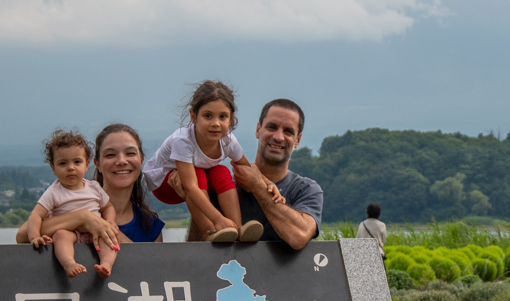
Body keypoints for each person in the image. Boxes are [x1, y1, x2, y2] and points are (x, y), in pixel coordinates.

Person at [171, 99, 323, 249]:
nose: (278, 137)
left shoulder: (306, 190)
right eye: (272, 127)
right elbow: (198, 248)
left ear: (298, 140)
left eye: (288, 131)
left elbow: (299, 237)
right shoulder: (222, 187)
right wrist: (191, 198)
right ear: (258, 130)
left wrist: (258, 187)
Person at [143, 81, 280, 242]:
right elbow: (191, 186)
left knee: (221, 171)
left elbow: (246, 167)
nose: (216, 123)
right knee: (197, 173)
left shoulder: (228, 140)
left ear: (230, 119)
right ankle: (210, 231)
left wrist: (269, 184)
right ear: (194, 116)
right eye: (208, 116)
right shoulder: (183, 140)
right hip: (164, 183)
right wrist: (217, 219)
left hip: (192, 179)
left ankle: (237, 228)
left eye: (223, 117)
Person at [16, 123, 164, 246]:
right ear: (96, 164)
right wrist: (82, 217)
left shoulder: (151, 226)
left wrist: (106, 229)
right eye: (110, 155)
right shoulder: (67, 201)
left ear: (141, 160)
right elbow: (22, 236)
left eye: (130, 153)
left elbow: (152, 273)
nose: (121, 161)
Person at [25, 129, 118, 278]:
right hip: (71, 233)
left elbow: (108, 207)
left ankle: (106, 264)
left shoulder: (94, 187)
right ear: (53, 168)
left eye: (77, 162)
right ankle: (69, 263)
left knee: (108, 236)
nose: (71, 167)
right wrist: (35, 236)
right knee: (61, 236)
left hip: (95, 231)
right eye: (63, 163)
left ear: (87, 165)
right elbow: (36, 215)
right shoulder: (53, 192)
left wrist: (110, 221)